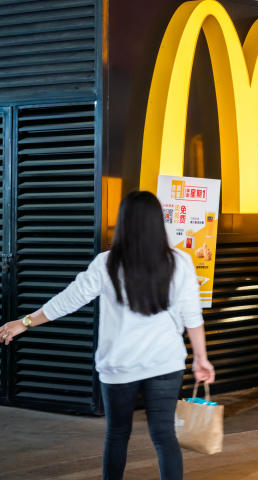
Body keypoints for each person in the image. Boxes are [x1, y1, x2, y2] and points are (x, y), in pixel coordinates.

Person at [0, 191, 214, 480]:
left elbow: (69, 299)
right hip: (165, 363)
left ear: (123, 222)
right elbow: (193, 317)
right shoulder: (180, 262)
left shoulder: (107, 263)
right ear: (157, 222)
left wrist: (25, 322)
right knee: (164, 436)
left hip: (118, 365)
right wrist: (201, 358)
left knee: (117, 434)